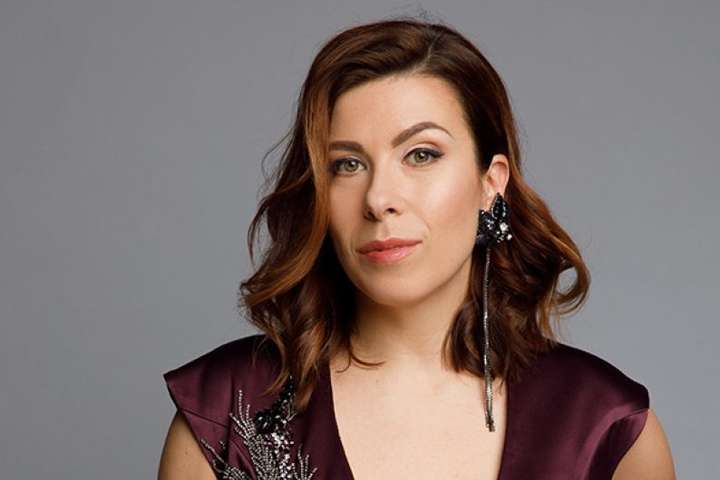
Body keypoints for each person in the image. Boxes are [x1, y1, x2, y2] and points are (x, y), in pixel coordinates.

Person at [157, 16, 675, 480]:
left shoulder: (605, 426)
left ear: (490, 183)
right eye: (347, 164)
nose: (379, 198)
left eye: (421, 154)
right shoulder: (228, 414)